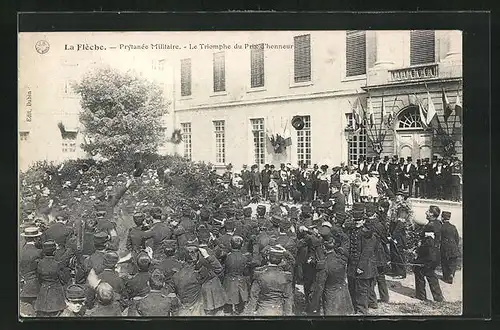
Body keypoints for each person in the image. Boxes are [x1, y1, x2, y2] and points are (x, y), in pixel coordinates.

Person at [166, 242, 225, 316]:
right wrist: (207, 256)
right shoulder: (199, 274)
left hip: (181, 310)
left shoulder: (175, 274)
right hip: (196, 310)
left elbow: (171, 294)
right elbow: (218, 269)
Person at [244, 245, 294, 316]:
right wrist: (287, 315)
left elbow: (253, 297)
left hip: (262, 310)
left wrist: (248, 313)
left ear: (268, 258)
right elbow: (288, 298)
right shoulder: (286, 276)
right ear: (281, 260)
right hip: (278, 310)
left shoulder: (259, 274)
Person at [315, 236, 354, 315]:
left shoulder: (325, 264)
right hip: (344, 295)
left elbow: (320, 286)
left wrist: (313, 306)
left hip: (331, 298)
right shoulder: (341, 259)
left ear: (324, 248)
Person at [34, 241, 68, 317]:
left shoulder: (39, 263)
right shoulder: (58, 264)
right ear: (54, 251)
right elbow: (64, 280)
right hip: (56, 295)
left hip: (43, 294)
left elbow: (38, 279)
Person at [413, 229, 444, 302]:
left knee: (419, 275)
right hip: (432, 262)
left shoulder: (427, 241)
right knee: (432, 278)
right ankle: (438, 297)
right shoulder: (434, 241)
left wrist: (417, 258)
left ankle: (421, 296)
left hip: (426, 262)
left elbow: (425, 252)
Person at [223, 235, 252, 315]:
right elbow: (246, 272)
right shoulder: (245, 258)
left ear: (230, 244)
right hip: (240, 282)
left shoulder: (227, 257)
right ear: (242, 245)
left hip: (228, 282)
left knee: (227, 308)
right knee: (240, 307)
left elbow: (224, 270)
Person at [20, 227, 43, 315]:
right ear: (35, 238)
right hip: (35, 286)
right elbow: (41, 269)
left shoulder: (20, 250)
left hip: (22, 286)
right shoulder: (38, 252)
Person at [439, 211, 460, 284]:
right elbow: (457, 238)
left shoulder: (441, 227)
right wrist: (455, 245)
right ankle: (451, 274)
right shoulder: (453, 227)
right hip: (453, 246)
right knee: (453, 262)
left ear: (442, 218)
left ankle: (446, 277)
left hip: (445, 247)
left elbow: (439, 238)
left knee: (444, 262)